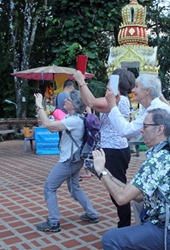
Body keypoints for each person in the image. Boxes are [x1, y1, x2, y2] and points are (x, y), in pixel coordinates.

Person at [92, 108, 170, 250]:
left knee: (110, 239)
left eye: (145, 126)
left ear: (159, 129)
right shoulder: (167, 152)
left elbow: (122, 198)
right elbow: (139, 196)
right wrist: (106, 172)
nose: (141, 130)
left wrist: (101, 172)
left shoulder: (158, 160)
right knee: (139, 206)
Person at [105, 73, 170, 227]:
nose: (133, 90)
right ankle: (146, 232)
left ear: (148, 91)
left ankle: (159, 233)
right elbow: (127, 129)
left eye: (137, 86)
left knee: (143, 198)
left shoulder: (156, 110)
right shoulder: (152, 108)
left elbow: (125, 130)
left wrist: (112, 106)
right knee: (140, 200)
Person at [73, 68, 135, 228]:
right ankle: (124, 225)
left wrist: (81, 81)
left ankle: (125, 227)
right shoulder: (116, 98)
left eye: (111, 80)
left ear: (117, 83)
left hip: (115, 151)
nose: (108, 83)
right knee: (116, 188)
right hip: (115, 149)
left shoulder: (119, 99)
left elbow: (92, 102)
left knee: (118, 191)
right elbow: (90, 101)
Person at [34, 90, 99, 233]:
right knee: (74, 187)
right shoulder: (77, 117)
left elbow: (49, 127)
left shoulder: (74, 120)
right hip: (76, 159)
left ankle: (53, 222)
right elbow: (53, 123)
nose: (65, 101)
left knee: (49, 188)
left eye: (68, 100)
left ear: (74, 105)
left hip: (68, 161)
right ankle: (92, 214)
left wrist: (39, 106)